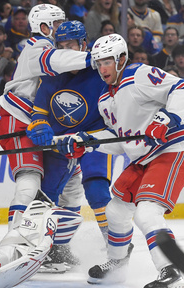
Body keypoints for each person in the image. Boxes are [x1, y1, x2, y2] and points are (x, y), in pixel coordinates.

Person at [56, 33, 184, 288]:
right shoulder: (104, 99)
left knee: (147, 212)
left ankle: (172, 274)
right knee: (116, 211)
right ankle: (117, 264)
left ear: (122, 59)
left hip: (172, 150)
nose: (102, 68)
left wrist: (165, 119)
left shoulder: (139, 75)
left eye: (107, 61)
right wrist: (87, 142)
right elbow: (122, 140)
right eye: (98, 63)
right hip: (143, 158)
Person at [0, 4, 92, 230]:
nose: (62, 29)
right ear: (43, 27)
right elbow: (57, 61)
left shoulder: (51, 46)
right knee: (29, 181)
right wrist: (95, 59)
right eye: (57, 24)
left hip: (44, 124)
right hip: (18, 118)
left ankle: (59, 246)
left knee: (71, 185)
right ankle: (16, 241)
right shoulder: (37, 47)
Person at [29, 21, 111, 271]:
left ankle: (115, 245)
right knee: (46, 194)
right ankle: (51, 249)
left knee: (97, 190)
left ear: (83, 45)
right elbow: (38, 115)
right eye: (61, 46)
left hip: (93, 139)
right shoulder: (51, 77)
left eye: (71, 45)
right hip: (60, 142)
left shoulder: (101, 73)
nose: (65, 50)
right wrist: (41, 128)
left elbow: (116, 111)